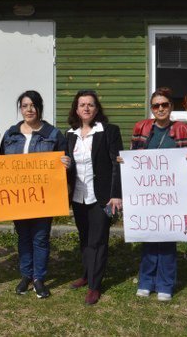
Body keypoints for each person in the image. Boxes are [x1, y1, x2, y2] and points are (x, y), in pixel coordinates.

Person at [0, 90, 70, 299]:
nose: (28, 110)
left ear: (39, 107)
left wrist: (67, 164)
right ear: (20, 109)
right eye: (24, 106)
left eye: (32, 105)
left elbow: (65, 162)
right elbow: (0, 163)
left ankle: (39, 278)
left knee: (40, 238)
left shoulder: (53, 134)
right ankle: (25, 275)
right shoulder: (10, 134)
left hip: (44, 196)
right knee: (23, 236)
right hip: (18, 195)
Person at [128, 87, 187, 301]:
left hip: (171, 194)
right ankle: (146, 281)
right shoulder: (141, 127)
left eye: (164, 104)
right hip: (147, 193)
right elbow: (134, 158)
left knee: (167, 238)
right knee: (148, 237)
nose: (160, 109)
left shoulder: (183, 130)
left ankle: (165, 284)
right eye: (156, 105)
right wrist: (125, 161)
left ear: (171, 107)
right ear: (151, 108)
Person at [66, 89, 123, 305]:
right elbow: (67, 165)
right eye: (82, 105)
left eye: (90, 104)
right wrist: (64, 164)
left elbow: (117, 165)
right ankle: (87, 274)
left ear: (96, 108)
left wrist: (116, 195)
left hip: (102, 197)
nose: (86, 108)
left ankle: (94, 285)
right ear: (77, 109)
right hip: (78, 196)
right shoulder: (69, 134)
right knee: (84, 237)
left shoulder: (109, 131)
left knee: (98, 240)